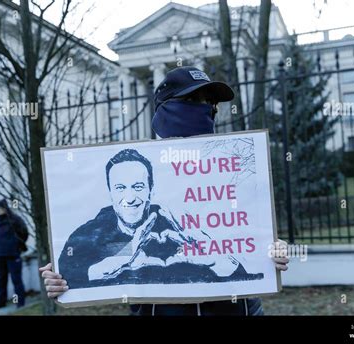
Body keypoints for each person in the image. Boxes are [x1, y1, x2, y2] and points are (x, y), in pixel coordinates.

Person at [40, 66, 289, 316]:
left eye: (210, 102)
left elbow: (254, 241)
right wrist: (62, 277)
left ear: (150, 188)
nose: (206, 108)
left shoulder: (233, 172)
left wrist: (270, 251)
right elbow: (74, 268)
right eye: (192, 100)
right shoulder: (108, 222)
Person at [58, 148, 263, 289]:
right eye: (120, 188)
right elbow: (68, 276)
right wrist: (124, 255)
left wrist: (216, 259)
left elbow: (248, 280)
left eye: (138, 187)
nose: (129, 198)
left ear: (151, 190)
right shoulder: (92, 233)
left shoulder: (177, 227)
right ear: (110, 192)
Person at [0, 199, 27, 310]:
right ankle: (2, 301)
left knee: (16, 279)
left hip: (13, 254)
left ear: (5, 208)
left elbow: (24, 232)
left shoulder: (15, 220)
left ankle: (20, 303)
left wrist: (18, 246)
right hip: (1, 255)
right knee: (2, 279)